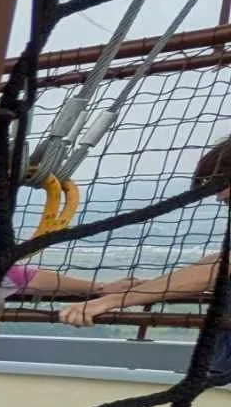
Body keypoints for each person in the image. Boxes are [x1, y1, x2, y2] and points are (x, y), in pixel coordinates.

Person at [60, 135, 231, 384]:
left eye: (221, 182)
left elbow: (216, 270)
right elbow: (213, 265)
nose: (218, 196)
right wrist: (144, 289)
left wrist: (112, 300)